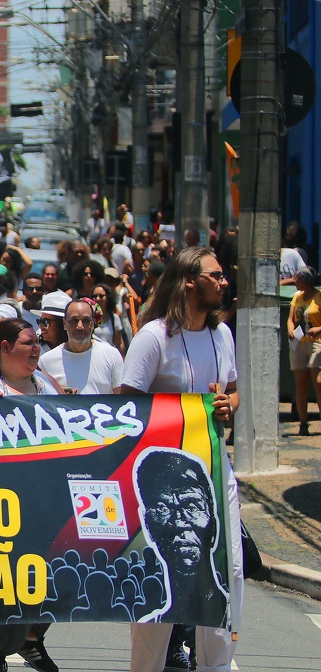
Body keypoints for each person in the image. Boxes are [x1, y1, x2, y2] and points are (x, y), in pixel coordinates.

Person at [119, 246, 242, 672]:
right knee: (160, 579)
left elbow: (232, 389)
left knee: (227, 573)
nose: (224, 282)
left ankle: (216, 666)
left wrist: (228, 404)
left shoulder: (222, 333)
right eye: (216, 275)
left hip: (215, 473)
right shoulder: (154, 337)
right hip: (164, 483)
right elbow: (127, 405)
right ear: (189, 280)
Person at [0, 318, 62, 672]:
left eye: (38, 343)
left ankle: (31, 640)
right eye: (28, 343)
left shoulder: (48, 386)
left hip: (45, 503)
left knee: (52, 579)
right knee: (3, 582)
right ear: (5, 348)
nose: (36, 348)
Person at [133, 449, 228, 625]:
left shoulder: (228, 619)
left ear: (214, 525)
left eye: (192, 506)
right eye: (162, 508)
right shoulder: (149, 628)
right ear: (148, 525)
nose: (178, 523)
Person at [39, 298, 123, 394]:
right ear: (64, 323)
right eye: (74, 320)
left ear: (92, 324)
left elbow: (121, 400)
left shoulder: (111, 355)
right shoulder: (46, 361)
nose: (80, 326)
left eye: (86, 321)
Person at [287, 266, 321, 435]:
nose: (295, 282)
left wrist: (319, 329)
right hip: (299, 343)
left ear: (306, 280)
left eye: (297, 279)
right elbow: (290, 319)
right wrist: (290, 329)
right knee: (301, 384)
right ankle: (303, 423)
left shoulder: (318, 297)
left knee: (318, 382)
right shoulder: (297, 298)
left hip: (316, 342)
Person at [89, 283, 125, 355]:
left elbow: (119, 343)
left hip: (109, 356)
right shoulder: (87, 318)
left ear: (108, 298)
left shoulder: (114, 318)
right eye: (95, 296)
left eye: (101, 296)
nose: (98, 299)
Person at [31, 290, 71, 354]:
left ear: (61, 323)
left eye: (45, 322)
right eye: (40, 321)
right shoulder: (34, 349)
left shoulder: (76, 349)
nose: (41, 326)